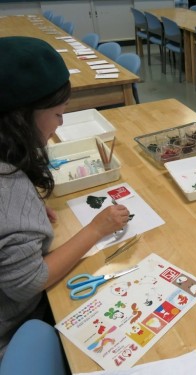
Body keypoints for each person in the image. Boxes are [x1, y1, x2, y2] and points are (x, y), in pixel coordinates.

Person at [0, 36, 130, 358]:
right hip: (14, 333)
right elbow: (30, 282)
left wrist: (26, 210)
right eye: (58, 115)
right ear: (21, 116)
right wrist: (97, 229)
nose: (59, 126)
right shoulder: (7, 190)